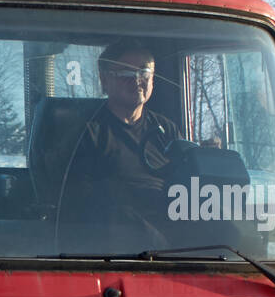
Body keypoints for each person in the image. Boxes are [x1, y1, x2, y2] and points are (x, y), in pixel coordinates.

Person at [59, 40, 182, 253]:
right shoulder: (87, 133)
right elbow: (81, 203)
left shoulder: (167, 130)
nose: (136, 81)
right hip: (117, 237)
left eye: (144, 72)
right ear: (104, 80)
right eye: (125, 73)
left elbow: (185, 179)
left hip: (170, 221)